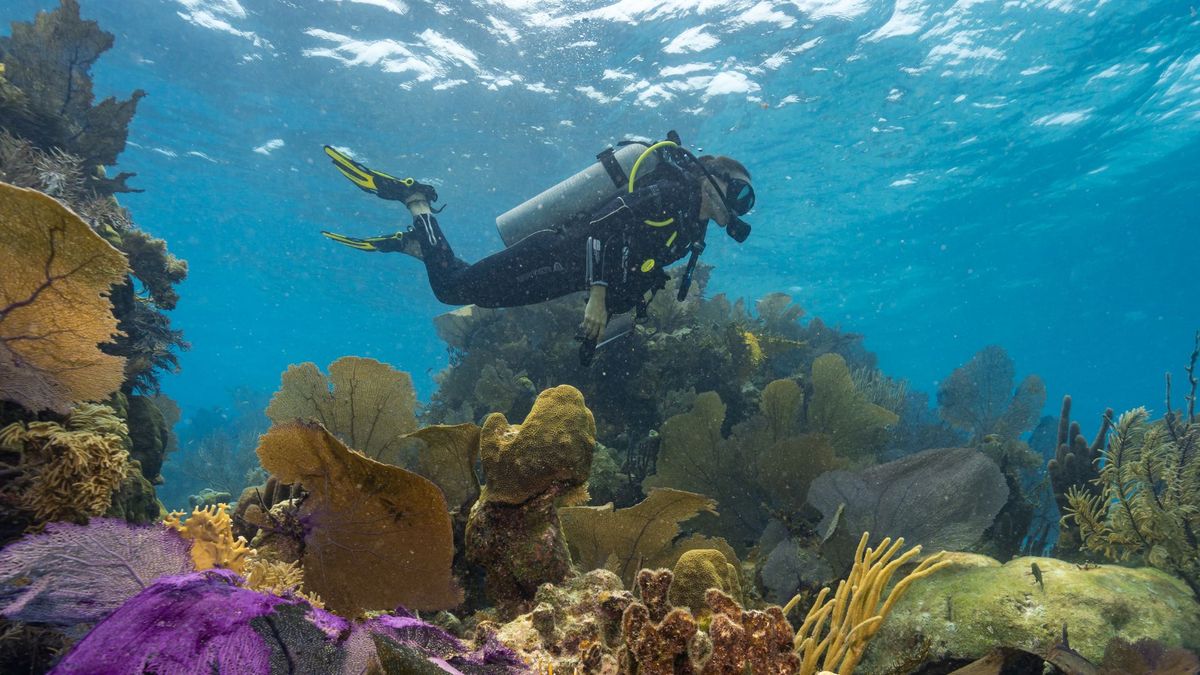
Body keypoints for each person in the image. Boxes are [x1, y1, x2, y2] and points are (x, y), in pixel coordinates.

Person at [320, 137, 754, 355]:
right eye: (739, 193)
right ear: (711, 178)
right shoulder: (671, 194)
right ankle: (416, 200)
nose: (739, 207)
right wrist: (599, 299)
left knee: (475, 290)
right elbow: (603, 224)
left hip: (563, 275)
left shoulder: (690, 233)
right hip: (552, 254)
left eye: (746, 202)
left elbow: (637, 261)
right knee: (452, 290)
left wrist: (622, 311)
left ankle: (420, 243)